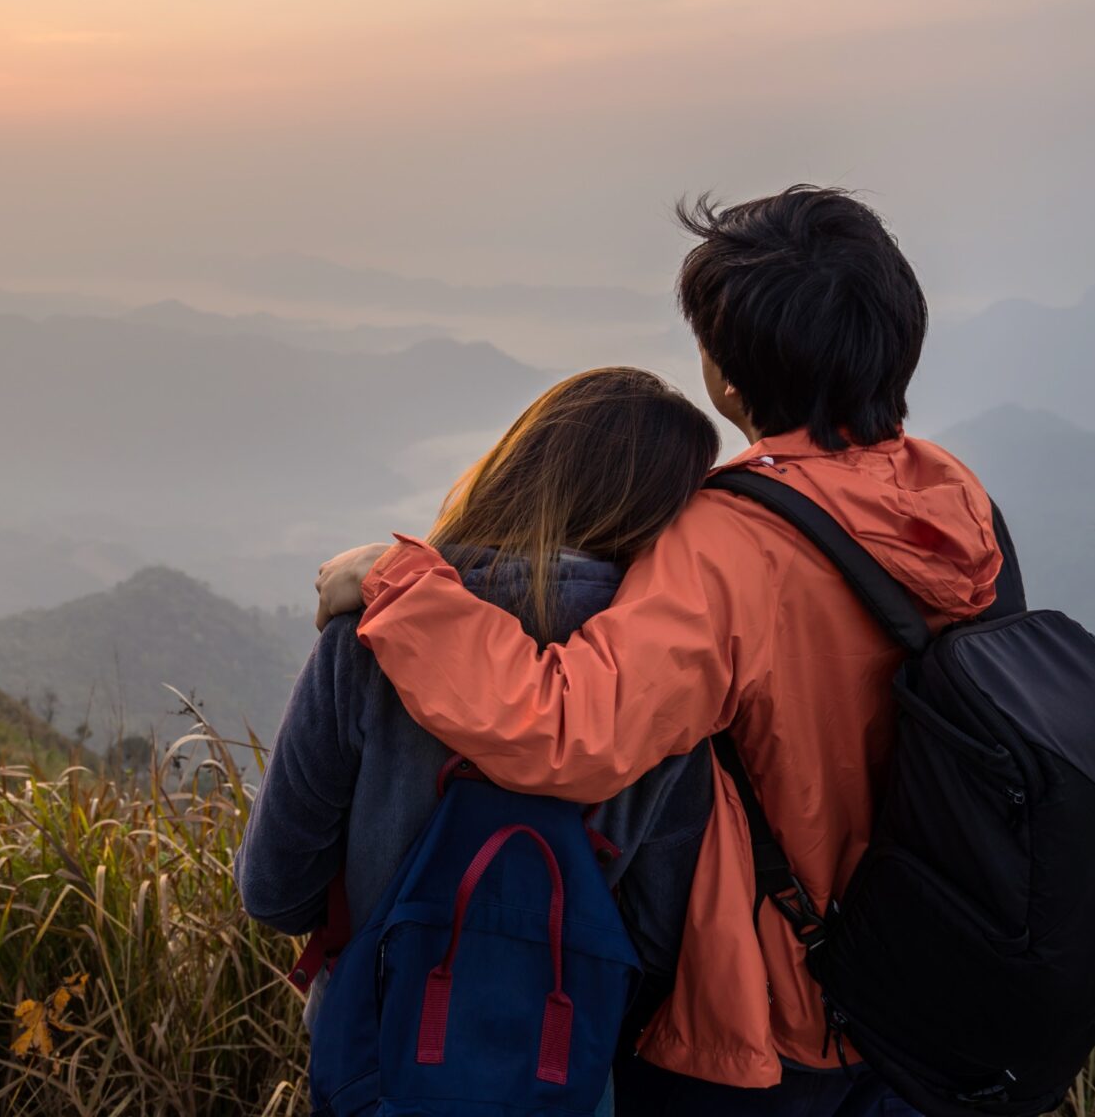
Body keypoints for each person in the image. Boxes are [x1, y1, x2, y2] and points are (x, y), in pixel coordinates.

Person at [315, 187, 1002, 1116]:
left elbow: (565, 731)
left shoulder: (735, 541)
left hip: (772, 1018)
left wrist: (401, 581)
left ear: (726, 377)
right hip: (927, 991)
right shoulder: (955, 503)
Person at [238, 367, 722, 1111]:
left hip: (380, 1066)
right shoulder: (671, 681)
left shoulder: (373, 634)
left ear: (522, 463)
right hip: (563, 1078)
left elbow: (273, 892)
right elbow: (657, 943)